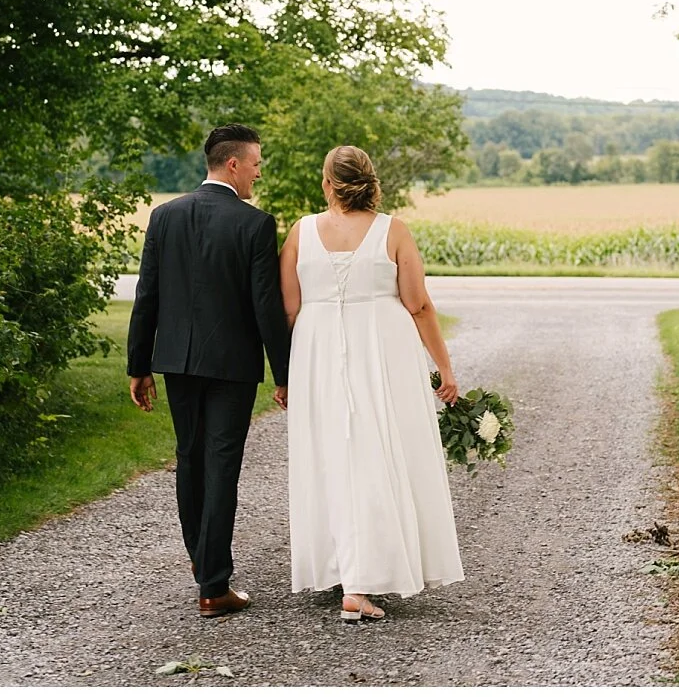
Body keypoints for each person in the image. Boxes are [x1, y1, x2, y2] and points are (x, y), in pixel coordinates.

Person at [279, 145, 465, 622]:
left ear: (326, 183)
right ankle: (361, 581)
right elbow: (419, 304)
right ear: (371, 182)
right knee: (380, 452)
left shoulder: (301, 233)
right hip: (383, 351)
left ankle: (349, 569)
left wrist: (285, 375)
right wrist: (444, 367)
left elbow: (288, 310)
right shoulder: (392, 231)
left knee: (334, 457)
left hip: (317, 352)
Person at [126, 123, 290, 618]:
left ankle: (206, 569)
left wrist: (139, 364)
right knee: (220, 465)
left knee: (190, 458)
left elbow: (146, 295)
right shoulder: (256, 224)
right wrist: (284, 373)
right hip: (232, 366)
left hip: (177, 361)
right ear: (234, 164)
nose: (259, 173)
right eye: (257, 164)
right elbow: (266, 306)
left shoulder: (165, 216)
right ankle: (213, 583)